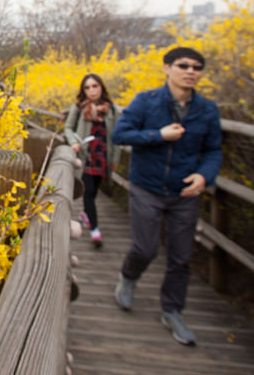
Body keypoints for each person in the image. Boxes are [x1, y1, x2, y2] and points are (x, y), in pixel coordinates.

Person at [112, 47, 222, 346]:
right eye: (183, 65)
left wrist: (204, 176)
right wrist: (158, 135)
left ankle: (172, 310)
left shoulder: (207, 110)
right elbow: (120, 134)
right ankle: (128, 278)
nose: (190, 71)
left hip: (184, 192)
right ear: (166, 68)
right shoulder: (146, 102)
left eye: (197, 67)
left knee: (181, 256)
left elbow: (213, 150)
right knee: (145, 248)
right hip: (146, 186)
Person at [64, 74, 120, 248]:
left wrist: (115, 158)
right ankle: (95, 230)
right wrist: (73, 142)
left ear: (101, 87)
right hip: (85, 156)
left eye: (94, 86)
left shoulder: (111, 110)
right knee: (88, 193)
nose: (91, 90)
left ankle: (86, 216)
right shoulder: (79, 108)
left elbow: (116, 136)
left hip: (102, 156)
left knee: (94, 192)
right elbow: (67, 127)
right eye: (87, 87)